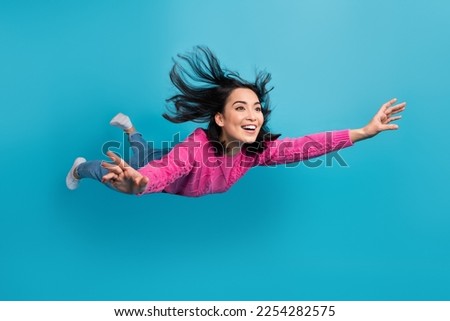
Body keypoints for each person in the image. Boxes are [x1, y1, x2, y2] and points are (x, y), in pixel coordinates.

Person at [66, 46, 406, 197]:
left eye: (256, 108)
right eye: (240, 108)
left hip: (162, 167)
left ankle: (130, 129)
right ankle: (81, 167)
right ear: (220, 117)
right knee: (126, 168)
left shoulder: (256, 151)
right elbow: (164, 171)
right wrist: (140, 185)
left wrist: (363, 132)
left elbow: (303, 147)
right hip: (160, 175)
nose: (253, 115)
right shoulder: (195, 148)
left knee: (143, 154)